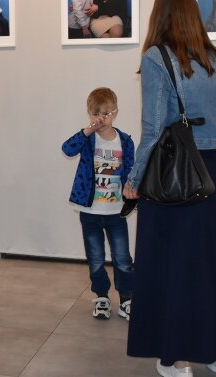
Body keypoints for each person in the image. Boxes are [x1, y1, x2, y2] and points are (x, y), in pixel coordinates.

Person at [124, 0, 216, 377]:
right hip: (210, 172)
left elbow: (152, 127)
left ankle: (176, 359)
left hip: (169, 175)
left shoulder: (157, 58)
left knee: (170, 265)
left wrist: (134, 177)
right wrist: (210, 153)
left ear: (160, 16)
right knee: (213, 265)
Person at [62, 87, 135, 322]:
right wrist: (86, 131)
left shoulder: (124, 141)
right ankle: (102, 298)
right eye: (95, 113)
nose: (101, 119)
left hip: (116, 212)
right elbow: (67, 149)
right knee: (95, 258)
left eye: (106, 113)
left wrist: (133, 192)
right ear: (88, 113)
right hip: (90, 212)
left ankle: (126, 299)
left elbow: (132, 170)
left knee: (122, 258)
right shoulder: (87, 139)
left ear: (115, 112)